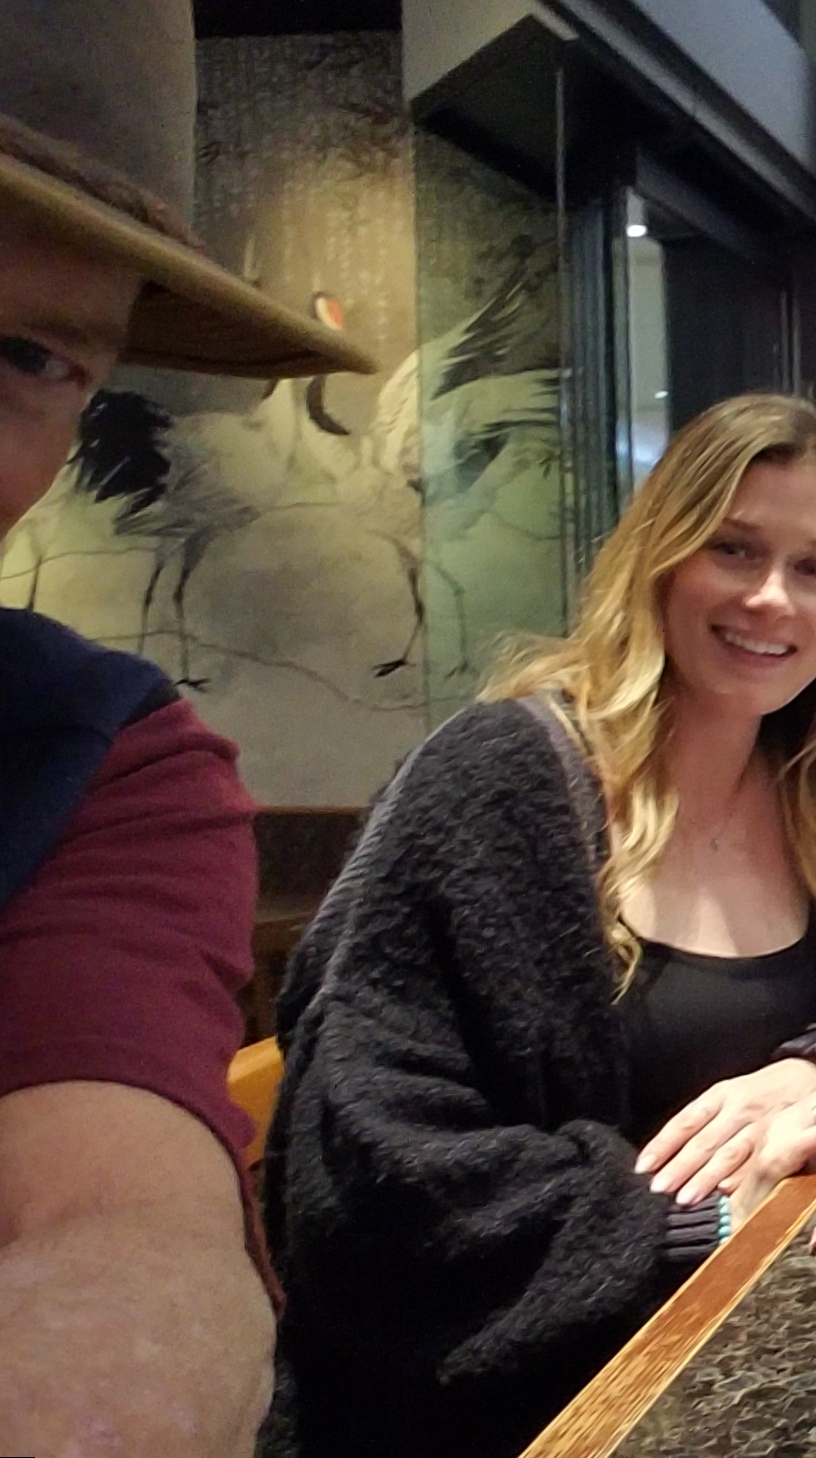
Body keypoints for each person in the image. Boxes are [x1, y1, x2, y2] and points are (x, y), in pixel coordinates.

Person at [261, 396, 816, 1458]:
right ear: (659, 554)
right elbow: (367, 1179)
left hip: (750, 1368)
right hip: (509, 1417)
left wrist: (814, 1067)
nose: (770, 596)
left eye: (814, 568)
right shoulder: (500, 783)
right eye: (733, 548)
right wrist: (702, 1214)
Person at [0, 1, 378, 1450]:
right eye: (739, 553)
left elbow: (128, 1252)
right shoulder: (513, 774)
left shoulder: (96, 764)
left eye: (32, 357)